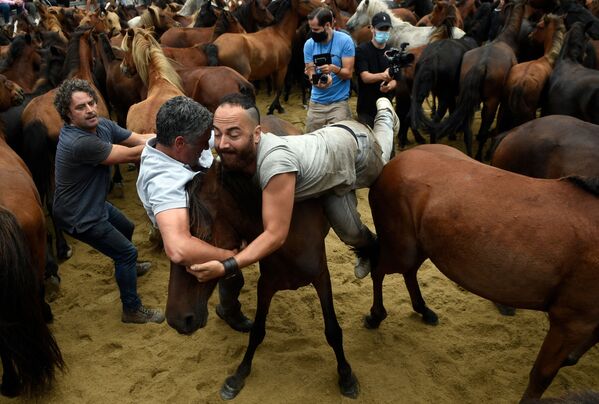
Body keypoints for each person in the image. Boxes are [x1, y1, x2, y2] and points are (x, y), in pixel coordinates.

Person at [186, 93, 400, 283]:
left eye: (233, 134)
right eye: (217, 133)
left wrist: (226, 266)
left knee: (383, 159)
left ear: (257, 134)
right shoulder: (237, 154)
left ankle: (386, 117)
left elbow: (275, 235)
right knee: (350, 233)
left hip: (355, 147)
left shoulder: (276, 164)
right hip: (330, 171)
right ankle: (366, 249)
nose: (222, 144)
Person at [136, 96, 252, 332]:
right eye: (201, 143)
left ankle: (228, 306)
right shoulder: (163, 182)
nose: (206, 147)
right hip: (186, 231)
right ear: (179, 143)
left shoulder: (182, 145)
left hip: (207, 216)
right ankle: (229, 310)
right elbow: (179, 249)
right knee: (229, 273)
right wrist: (229, 255)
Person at [53, 78, 164, 325]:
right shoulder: (78, 142)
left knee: (126, 228)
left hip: (93, 202)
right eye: (80, 107)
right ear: (68, 114)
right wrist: (173, 145)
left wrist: (168, 135)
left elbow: (138, 138)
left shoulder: (101, 125)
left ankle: (129, 270)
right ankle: (132, 310)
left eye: (91, 103)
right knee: (126, 253)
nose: (90, 109)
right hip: (78, 214)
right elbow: (132, 153)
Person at [303, 7, 355, 132]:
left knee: (340, 140)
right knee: (311, 140)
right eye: (311, 29)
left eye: (316, 29)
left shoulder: (345, 41)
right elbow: (310, 69)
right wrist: (314, 79)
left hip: (338, 103)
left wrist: (334, 69)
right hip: (316, 102)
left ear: (327, 25)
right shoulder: (309, 44)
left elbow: (348, 73)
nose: (312, 32)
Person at [355, 11, 397, 128]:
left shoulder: (392, 52)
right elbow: (365, 77)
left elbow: (397, 80)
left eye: (386, 29)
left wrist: (390, 86)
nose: (384, 32)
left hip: (386, 108)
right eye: (380, 29)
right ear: (372, 29)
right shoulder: (362, 50)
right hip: (366, 109)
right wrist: (383, 76)